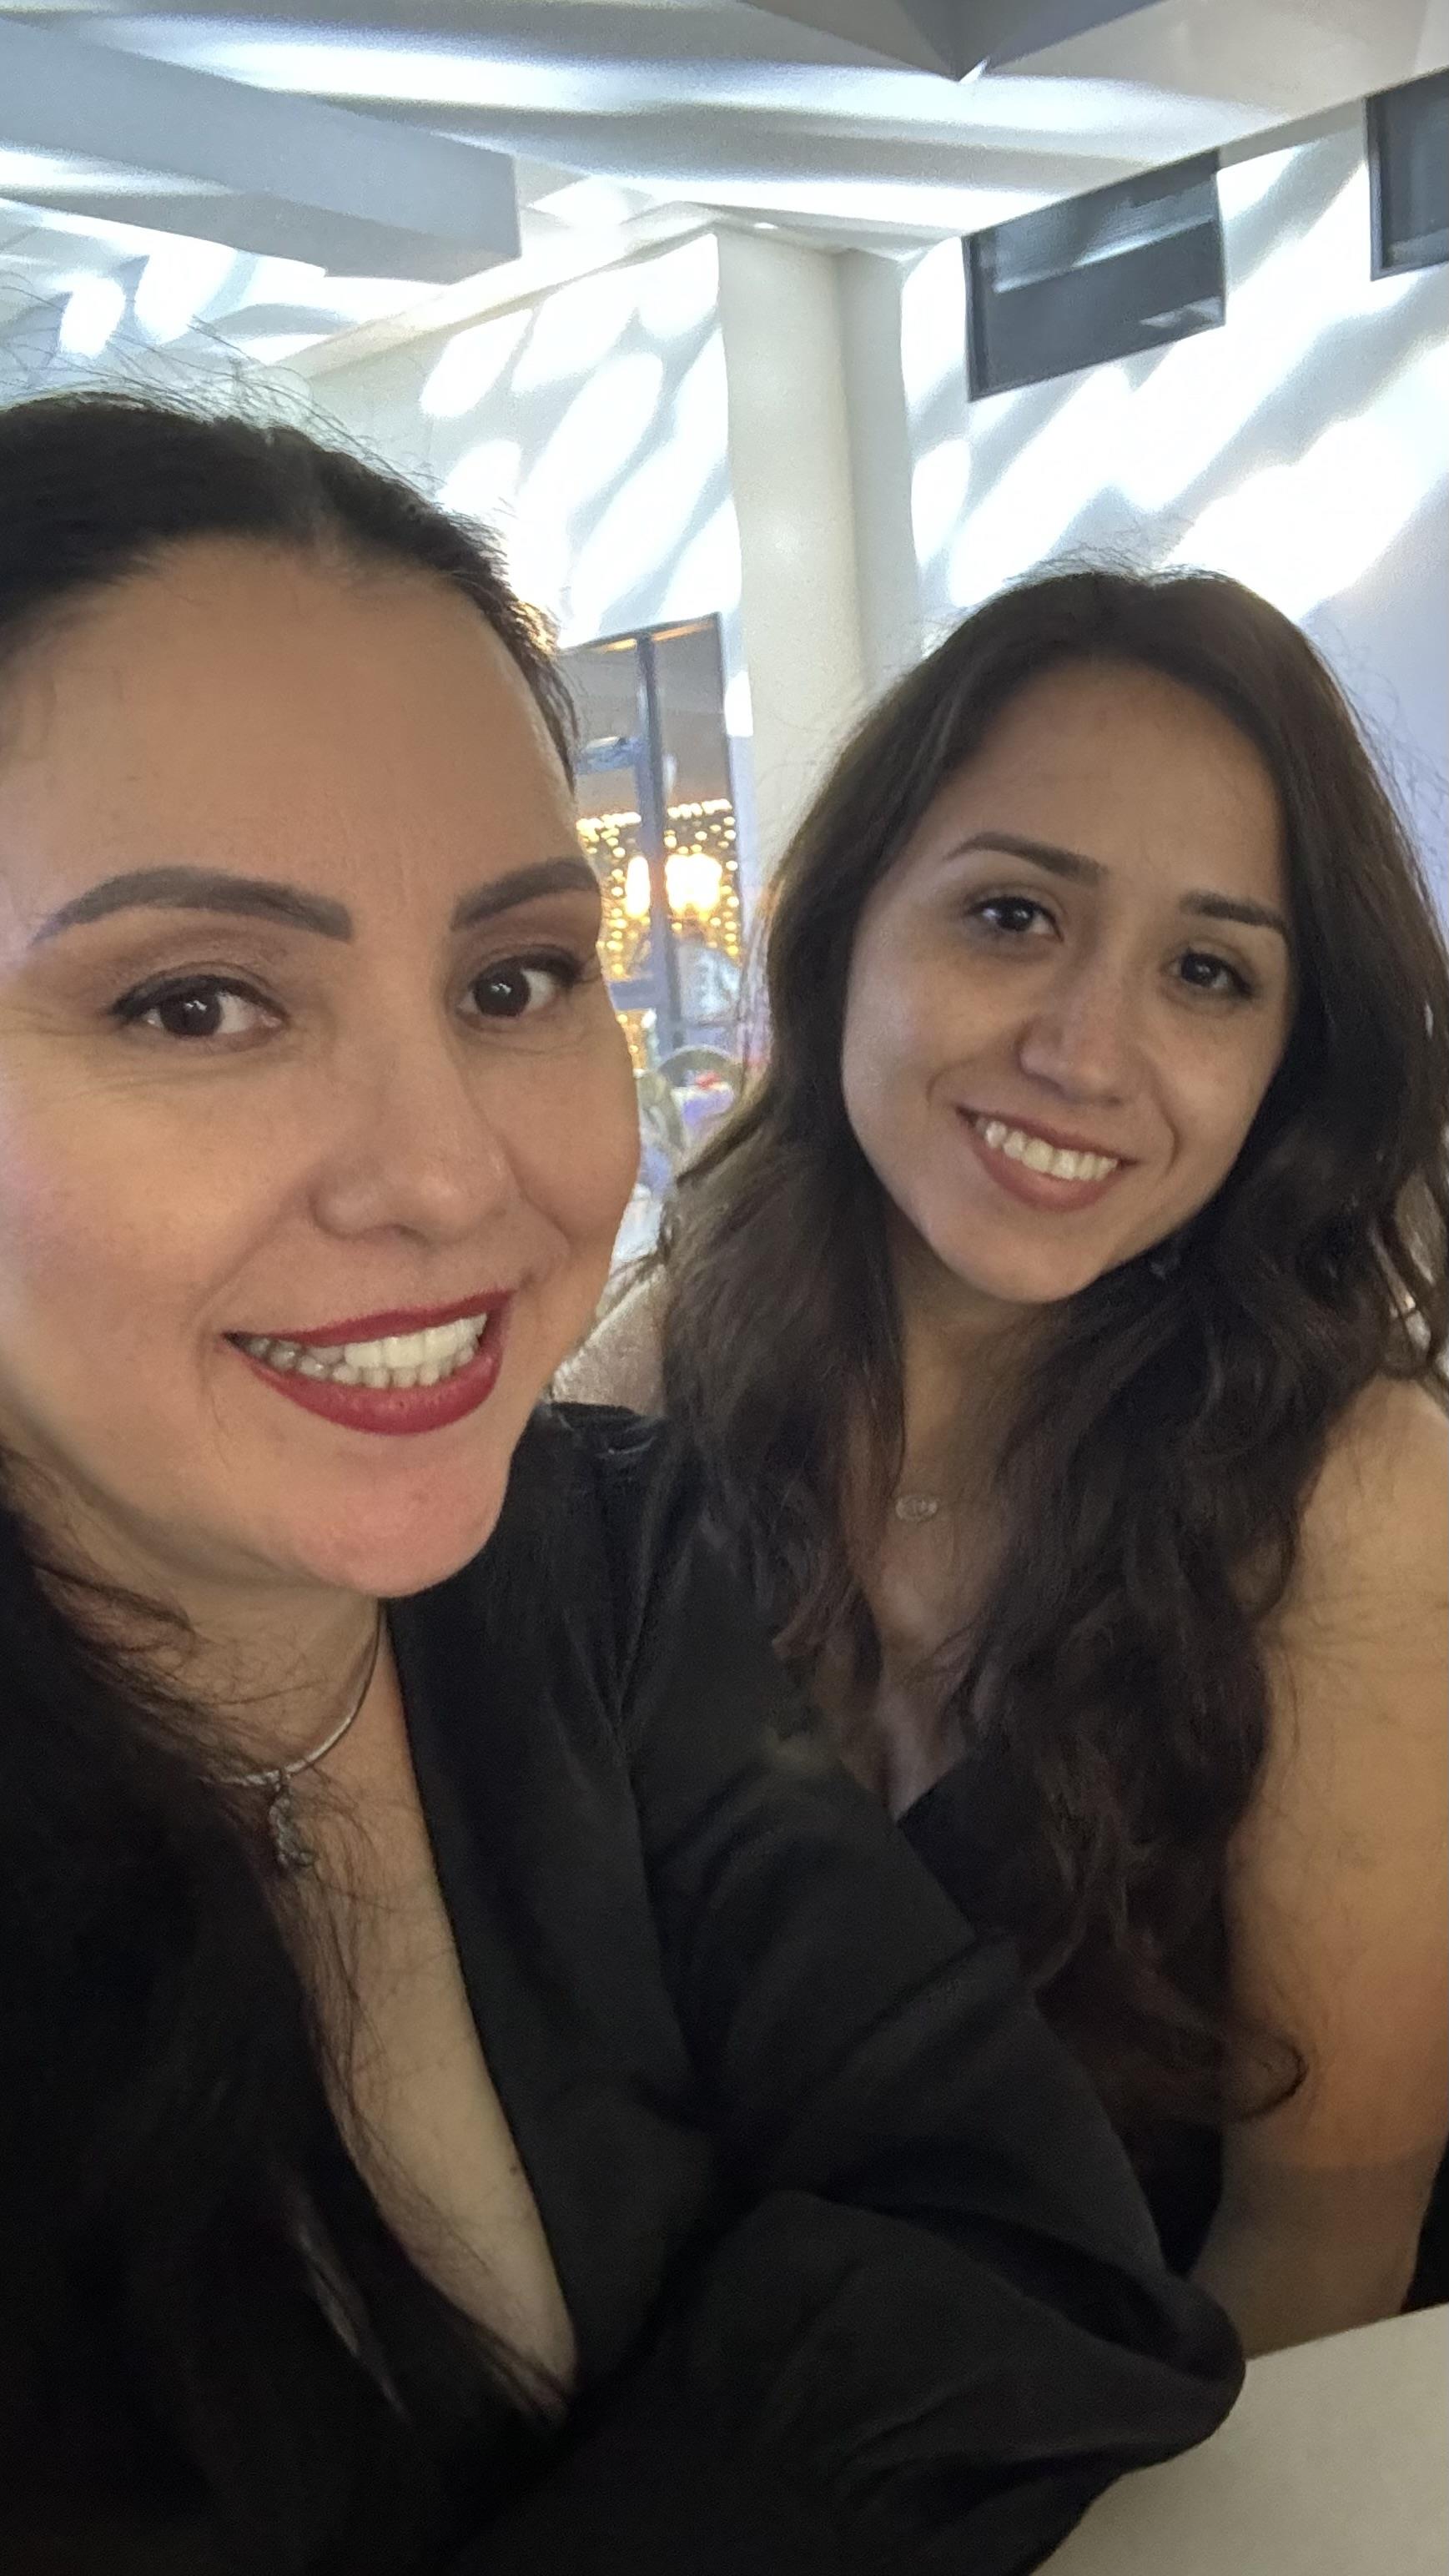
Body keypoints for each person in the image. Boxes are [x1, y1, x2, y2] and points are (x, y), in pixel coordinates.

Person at [0, 397, 1240, 2576]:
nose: (452, 1174)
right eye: (196, 1005)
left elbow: (1036, 2255)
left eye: (513, 978)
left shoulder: (595, 1554)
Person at [561, 566, 1449, 2358]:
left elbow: (1322, 2229)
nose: (1080, 1050)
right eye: (1010, 913)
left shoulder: (1347, 1492)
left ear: (1285, 1061)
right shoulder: (656, 1369)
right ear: (843, 931)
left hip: (1170, 2441)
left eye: (1206, 970)